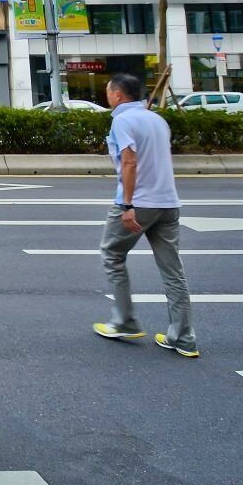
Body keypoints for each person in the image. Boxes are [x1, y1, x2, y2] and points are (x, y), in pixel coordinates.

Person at [92, 72, 199, 358]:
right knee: (173, 271)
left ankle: (125, 320)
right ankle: (183, 336)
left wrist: (127, 206)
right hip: (168, 202)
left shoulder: (122, 120)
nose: (107, 96)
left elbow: (129, 161)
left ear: (117, 95)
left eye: (108, 91)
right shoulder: (158, 120)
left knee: (112, 255)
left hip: (139, 202)